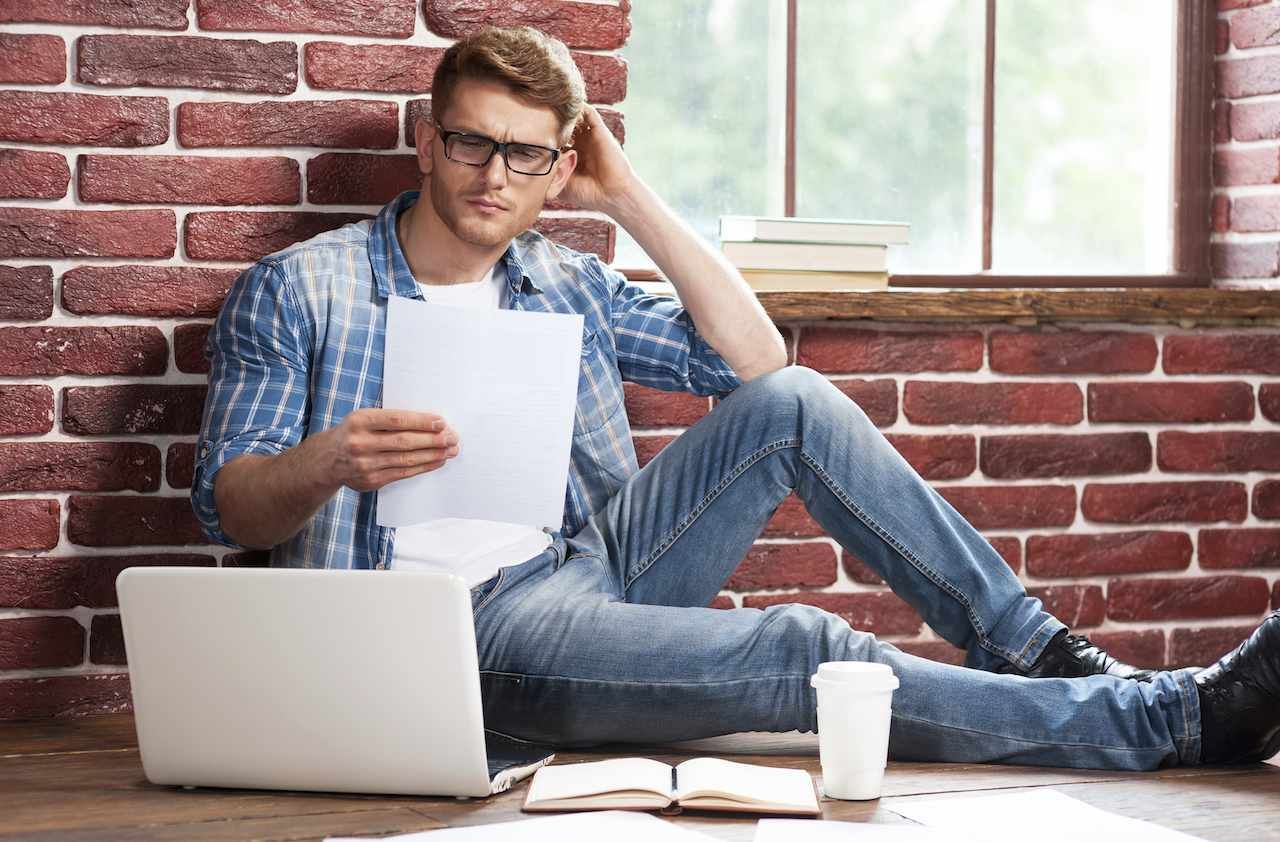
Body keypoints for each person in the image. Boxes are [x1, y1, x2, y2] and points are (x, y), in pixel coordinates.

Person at [191, 25, 1280, 771]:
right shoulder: (304, 287)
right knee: (804, 648)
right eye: (471, 141)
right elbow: (232, 503)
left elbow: (757, 362)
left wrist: (625, 197)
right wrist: (330, 459)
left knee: (798, 400)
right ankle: (1173, 719)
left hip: (589, 569)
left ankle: (1033, 643)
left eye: (526, 155)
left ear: (555, 165)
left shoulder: (561, 277)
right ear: (426, 140)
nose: (492, 175)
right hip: (452, 637)